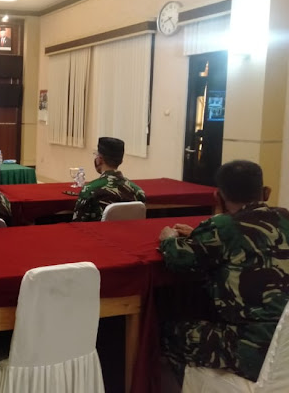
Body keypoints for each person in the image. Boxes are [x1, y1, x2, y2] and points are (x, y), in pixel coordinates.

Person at [159, 160, 289, 384]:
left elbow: (180, 260)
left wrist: (168, 240)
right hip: (284, 343)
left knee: (169, 332)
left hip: (251, 348)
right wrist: (201, 235)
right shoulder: (285, 217)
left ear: (217, 196)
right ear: (266, 193)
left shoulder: (223, 227)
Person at [72, 137, 145, 222]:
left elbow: (77, 224)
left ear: (99, 159)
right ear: (121, 161)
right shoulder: (138, 191)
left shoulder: (89, 190)